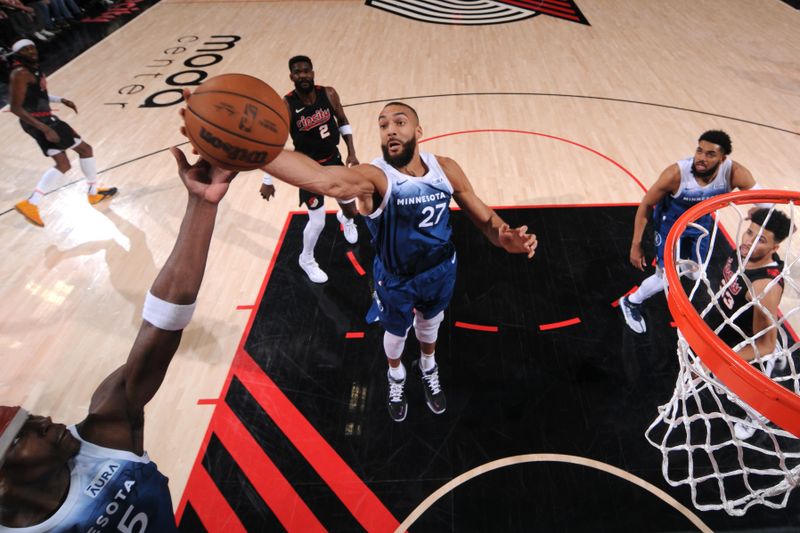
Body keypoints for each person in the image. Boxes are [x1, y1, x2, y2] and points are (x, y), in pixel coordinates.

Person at [0, 147, 237, 529]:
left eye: (29, 417)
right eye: (21, 436)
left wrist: (201, 204)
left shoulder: (104, 432)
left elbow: (161, 325)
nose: (44, 420)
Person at [262, 100, 538, 422]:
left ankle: (428, 366)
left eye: (399, 122)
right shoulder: (375, 178)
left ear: (418, 131)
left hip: (440, 272)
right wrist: (259, 153)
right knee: (395, 334)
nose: (390, 129)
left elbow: (488, 222)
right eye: (382, 125)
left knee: (430, 326)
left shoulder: (445, 168)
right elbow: (325, 180)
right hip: (397, 280)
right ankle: (396, 376)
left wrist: (505, 236)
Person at [620, 130, 759, 334]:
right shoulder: (676, 174)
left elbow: (763, 199)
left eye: (710, 154)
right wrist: (636, 244)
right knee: (666, 277)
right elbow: (646, 205)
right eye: (699, 150)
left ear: (722, 159)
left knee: (696, 273)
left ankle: (683, 272)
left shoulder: (734, 173)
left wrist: (763, 212)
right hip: (670, 226)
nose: (701, 158)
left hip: (700, 224)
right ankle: (631, 302)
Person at [260, 55, 360, 283]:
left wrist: (352, 152)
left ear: (312, 73)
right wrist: (268, 180)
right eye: (297, 72)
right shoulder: (286, 105)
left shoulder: (329, 93)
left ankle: (347, 221)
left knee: (351, 211)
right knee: (317, 221)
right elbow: (276, 142)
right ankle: (306, 259)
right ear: (291, 76)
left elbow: (343, 120)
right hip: (307, 169)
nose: (302, 75)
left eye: (306, 71)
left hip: (333, 159)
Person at [9, 39, 117, 228]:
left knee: (64, 163)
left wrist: (61, 100)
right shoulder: (20, 73)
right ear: (18, 54)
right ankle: (92, 193)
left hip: (42, 120)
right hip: (41, 121)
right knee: (85, 150)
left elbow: (37, 95)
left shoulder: (34, 69)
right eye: (25, 49)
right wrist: (45, 128)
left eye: (32, 47)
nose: (31, 51)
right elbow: (16, 107)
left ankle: (32, 203)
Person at [707, 208, 792, 439]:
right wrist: (759, 215)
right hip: (733, 326)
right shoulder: (746, 251)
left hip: (751, 344)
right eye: (749, 233)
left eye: (760, 240)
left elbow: (762, 345)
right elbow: (763, 226)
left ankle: (758, 415)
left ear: (774, 249)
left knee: (751, 392)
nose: (749, 242)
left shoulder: (763, 287)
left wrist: (721, 360)